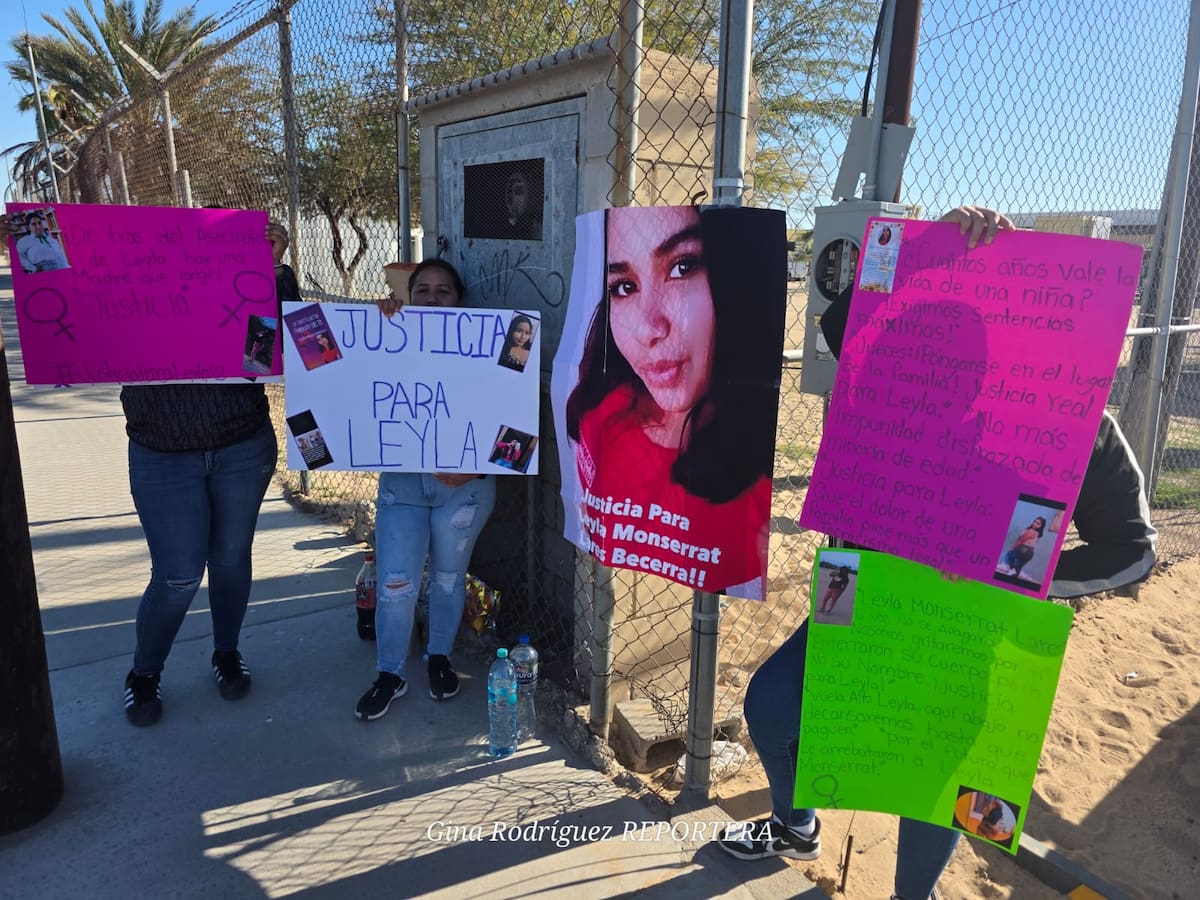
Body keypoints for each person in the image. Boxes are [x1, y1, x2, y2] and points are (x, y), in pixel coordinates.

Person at [717, 205, 1158, 900]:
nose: (927, 363)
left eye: (954, 353)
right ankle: (794, 824)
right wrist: (941, 249)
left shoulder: (1076, 426)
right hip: (861, 592)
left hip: (968, 623)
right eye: (914, 347)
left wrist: (1020, 577)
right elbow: (844, 312)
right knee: (772, 705)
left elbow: (1135, 552)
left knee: (936, 778)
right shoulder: (884, 389)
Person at [1, 211, 297, 726]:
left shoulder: (252, 282)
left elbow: (272, 353)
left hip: (240, 447)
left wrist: (269, 272)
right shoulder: (128, 293)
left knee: (230, 560)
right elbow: (70, 312)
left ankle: (226, 653)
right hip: (162, 452)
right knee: (180, 574)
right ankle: (144, 673)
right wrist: (34, 251)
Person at [564, 205, 784, 599]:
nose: (650, 328)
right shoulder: (599, 415)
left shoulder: (754, 478)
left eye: (682, 267)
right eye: (624, 287)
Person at [355, 259, 497, 720]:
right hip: (402, 486)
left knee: (449, 578)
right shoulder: (388, 336)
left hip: (464, 489)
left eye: (444, 291)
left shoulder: (489, 346)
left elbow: (517, 419)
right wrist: (377, 325)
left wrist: (475, 469)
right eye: (423, 291)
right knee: (397, 584)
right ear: (409, 296)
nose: (432, 299)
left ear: (460, 300)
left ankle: (440, 657)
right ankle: (390, 673)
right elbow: (345, 388)